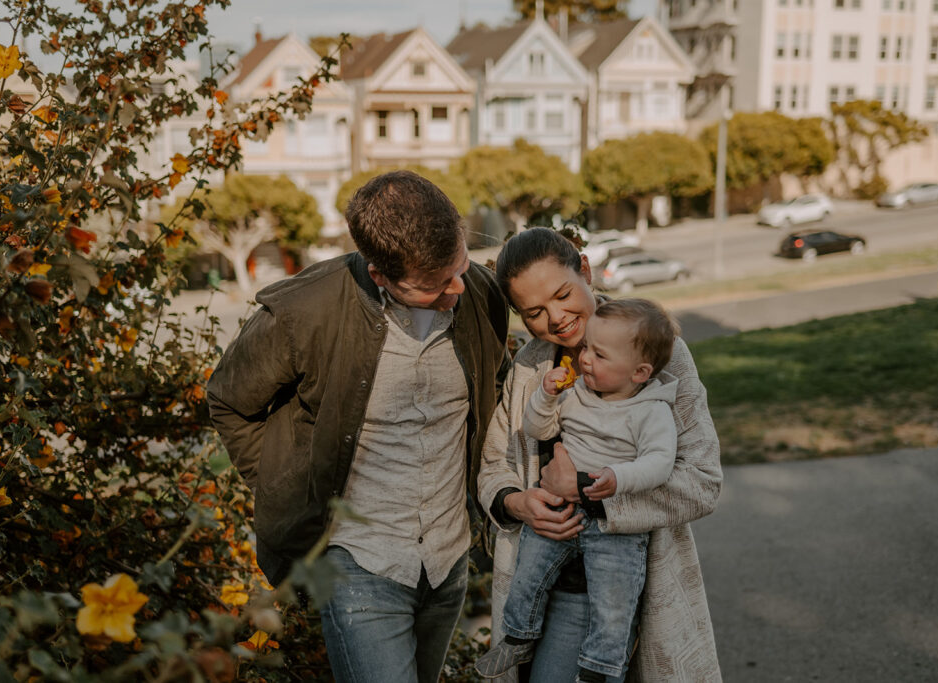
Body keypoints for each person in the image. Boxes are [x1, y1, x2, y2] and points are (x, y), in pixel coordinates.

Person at [206, 170, 510, 683]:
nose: (458, 287)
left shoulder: (480, 292)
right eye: (434, 285)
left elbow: (498, 387)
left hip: (448, 557)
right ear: (380, 274)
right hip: (357, 561)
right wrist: (285, 484)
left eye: (459, 265)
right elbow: (228, 401)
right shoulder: (300, 313)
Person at [478, 227, 723, 683]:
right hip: (537, 580)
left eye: (563, 294)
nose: (556, 319)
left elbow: (703, 483)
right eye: (534, 312)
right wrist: (517, 502)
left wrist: (591, 494)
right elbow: (494, 465)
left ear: (586, 270)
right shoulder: (531, 367)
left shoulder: (656, 353)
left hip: (615, 585)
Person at [476, 299, 681, 682]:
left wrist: (614, 478)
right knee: (529, 572)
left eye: (598, 355)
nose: (584, 359)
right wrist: (547, 396)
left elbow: (659, 462)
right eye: (586, 348)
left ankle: (599, 669)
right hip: (562, 515)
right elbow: (536, 429)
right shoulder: (579, 393)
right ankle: (517, 636)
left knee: (613, 600)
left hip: (614, 527)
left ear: (639, 372)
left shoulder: (651, 410)